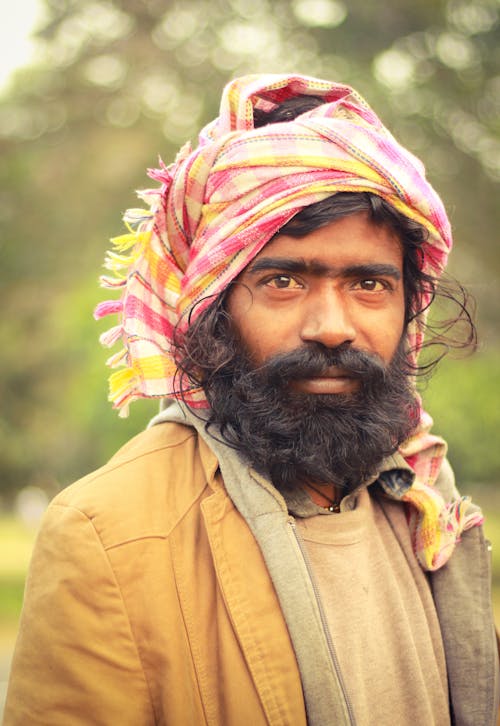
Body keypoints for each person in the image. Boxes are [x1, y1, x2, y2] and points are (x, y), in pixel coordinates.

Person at [4, 74, 499, 726]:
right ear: (215, 310)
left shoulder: (427, 503)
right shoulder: (108, 536)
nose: (332, 326)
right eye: (285, 280)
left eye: (369, 284)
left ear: (410, 306)